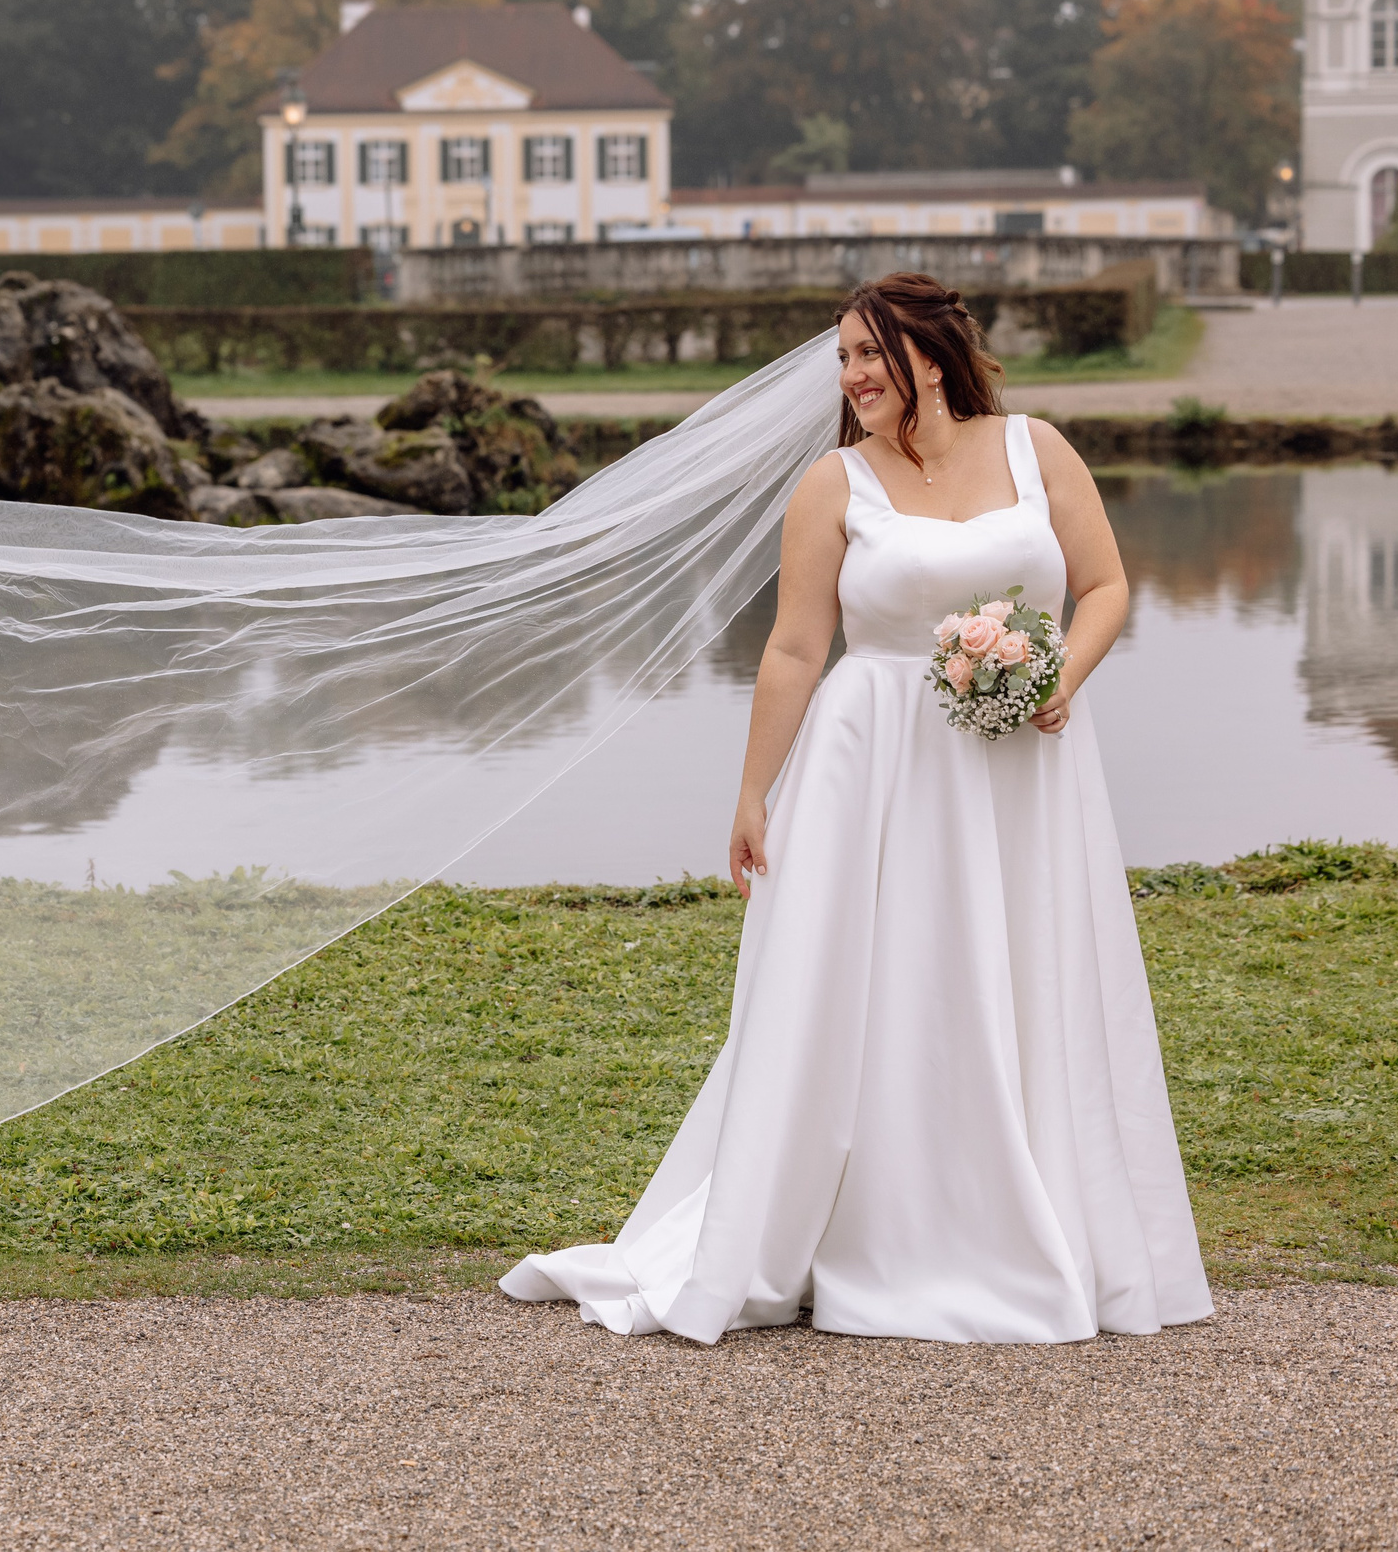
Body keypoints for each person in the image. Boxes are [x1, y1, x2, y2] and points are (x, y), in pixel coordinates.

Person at [500, 272, 1213, 1343]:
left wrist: (1060, 674)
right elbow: (795, 646)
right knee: (883, 983)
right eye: (842, 358)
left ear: (930, 353)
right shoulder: (833, 485)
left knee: (1024, 968)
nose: (853, 376)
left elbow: (1105, 585)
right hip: (870, 758)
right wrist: (751, 792)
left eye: (869, 353)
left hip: (1023, 758)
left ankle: (1043, 1208)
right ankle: (877, 1225)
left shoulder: (1038, 450)